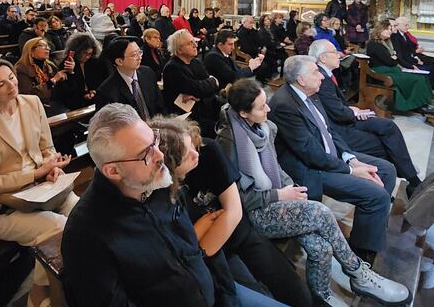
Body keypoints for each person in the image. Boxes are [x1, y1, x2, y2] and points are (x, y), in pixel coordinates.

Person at [61, 103, 282, 307]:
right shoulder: (85, 235)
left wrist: (227, 296)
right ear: (113, 171)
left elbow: (197, 254)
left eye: (154, 141)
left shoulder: (159, 182)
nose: (159, 155)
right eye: (145, 153)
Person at [218, 79, 410, 305]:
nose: (269, 109)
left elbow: (276, 167)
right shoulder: (228, 142)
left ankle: (321, 298)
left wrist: (290, 188)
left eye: (266, 103)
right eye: (262, 107)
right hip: (258, 211)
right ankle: (358, 273)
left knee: (320, 247)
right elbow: (239, 199)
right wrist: (280, 195)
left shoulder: (264, 127)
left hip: (279, 196)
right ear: (243, 113)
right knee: (321, 212)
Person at [150, 115, 314, 307]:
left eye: (193, 146)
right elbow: (186, 244)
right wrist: (200, 244)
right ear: (168, 166)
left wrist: (200, 240)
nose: (196, 154)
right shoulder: (161, 190)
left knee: (297, 293)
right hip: (213, 256)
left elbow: (234, 211)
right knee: (250, 293)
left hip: (238, 234)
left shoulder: (208, 150)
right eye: (187, 155)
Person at [0, 59, 77, 307]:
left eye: (12, 78)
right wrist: (36, 174)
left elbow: (47, 147)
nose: (11, 86)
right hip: (6, 204)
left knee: (84, 216)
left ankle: (80, 284)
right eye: (1, 84)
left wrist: (52, 168)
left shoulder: (32, 103)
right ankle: (39, 293)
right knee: (59, 228)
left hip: (44, 191)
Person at [268, 55, 397, 264]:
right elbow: (309, 152)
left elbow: (330, 130)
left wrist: (351, 158)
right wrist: (350, 171)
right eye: (315, 72)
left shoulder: (311, 93)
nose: (321, 77)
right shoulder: (285, 105)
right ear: (301, 79)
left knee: (387, 169)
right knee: (377, 196)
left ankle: (371, 227)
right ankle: (360, 256)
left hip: (329, 156)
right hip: (311, 169)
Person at [310, 39, 423, 198]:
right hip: (339, 127)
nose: (339, 55)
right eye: (334, 53)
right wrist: (353, 112)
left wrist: (352, 108)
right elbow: (336, 112)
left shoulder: (325, 74)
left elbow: (333, 105)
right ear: (322, 58)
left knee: (387, 127)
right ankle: (400, 183)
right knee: (382, 143)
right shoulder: (320, 78)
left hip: (343, 118)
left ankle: (406, 178)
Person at [366, 20, 434, 115]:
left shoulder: (383, 42)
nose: (390, 31)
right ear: (381, 30)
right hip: (382, 73)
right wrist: (394, 58)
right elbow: (390, 61)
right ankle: (420, 106)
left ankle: (425, 104)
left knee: (422, 77)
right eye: (388, 29)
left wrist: (394, 58)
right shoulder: (374, 44)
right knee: (417, 79)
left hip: (391, 70)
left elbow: (393, 59)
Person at [162, 30, 221, 137]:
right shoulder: (172, 68)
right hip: (188, 118)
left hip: (206, 108)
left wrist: (206, 88)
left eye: (194, 41)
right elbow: (199, 88)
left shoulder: (196, 62)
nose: (195, 45)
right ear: (179, 50)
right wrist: (212, 82)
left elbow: (208, 88)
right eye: (190, 43)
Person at [95, 37, 166, 118]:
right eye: (134, 55)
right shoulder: (106, 91)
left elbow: (160, 106)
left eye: (140, 52)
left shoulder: (147, 73)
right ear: (119, 61)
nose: (139, 57)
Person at [15, 37, 71, 113]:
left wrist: (69, 72)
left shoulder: (50, 65)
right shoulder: (21, 69)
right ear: (31, 50)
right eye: (43, 46)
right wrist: (53, 81)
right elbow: (28, 94)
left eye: (48, 46)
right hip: (34, 108)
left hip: (54, 102)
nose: (48, 49)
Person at [56, 33, 107, 109]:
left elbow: (101, 81)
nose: (87, 56)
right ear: (77, 51)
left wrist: (94, 91)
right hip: (75, 102)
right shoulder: (66, 63)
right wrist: (71, 72)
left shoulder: (94, 62)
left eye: (89, 54)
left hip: (94, 99)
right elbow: (67, 91)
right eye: (84, 53)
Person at [392, 17, 434, 91]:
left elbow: (411, 47)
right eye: (406, 25)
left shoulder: (404, 34)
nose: (408, 27)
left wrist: (417, 51)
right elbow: (402, 55)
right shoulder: (396, 36)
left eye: (408, 25)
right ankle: (430, 87)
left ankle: (433, 86)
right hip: (409, 59)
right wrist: (415, 61)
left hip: (413, 56)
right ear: (398, 25)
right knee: (433, 64)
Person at [236, 16, 273, 83]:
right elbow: (246, 47)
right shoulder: (241, 32)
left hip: (255, 51)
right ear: (244, 22)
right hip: (247, 54)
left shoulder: (252, 30)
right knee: (263, 65)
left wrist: (263, 47)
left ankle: (266, 78)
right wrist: (258, 51)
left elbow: (259, 40)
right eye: (250, 22)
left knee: (270, 58)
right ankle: (260, 80)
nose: (252, 24)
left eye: (253, 22)